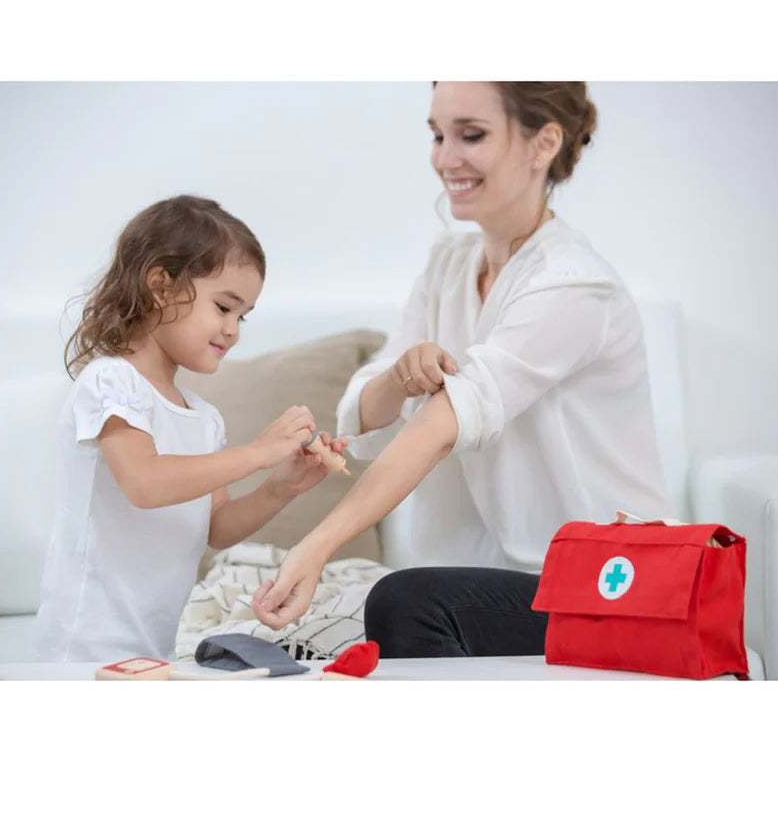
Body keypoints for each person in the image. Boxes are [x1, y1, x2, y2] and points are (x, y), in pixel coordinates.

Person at [251, 82, 673, 658]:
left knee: (405, 602)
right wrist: (400, 378)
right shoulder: (449, 263)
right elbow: (361, 416)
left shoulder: (573, 285)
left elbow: (443, 422)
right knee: (398, 597)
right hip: (493, 581)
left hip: (605, 586)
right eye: (438, 134)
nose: (446, 157)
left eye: (470, 135)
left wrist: (316, 545)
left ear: (543, 142)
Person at [34, 195, 346, 662]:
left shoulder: (204, 418)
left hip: (150, 652)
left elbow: (215, 529)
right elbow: (144, 483)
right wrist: (259, 451)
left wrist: (280, 488)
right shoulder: (112, 380)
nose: (234, 330)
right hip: (83, 650)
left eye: (242, 316)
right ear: (160, 285)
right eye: (224, 307)